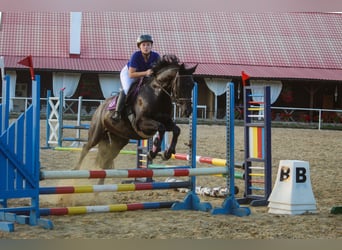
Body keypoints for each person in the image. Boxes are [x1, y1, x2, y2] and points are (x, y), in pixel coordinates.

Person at [112, 34, 161, 122]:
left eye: (148, 45)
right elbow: (131, 74)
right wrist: (146, 73)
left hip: (145, 75)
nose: (146, 47)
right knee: (127, 89)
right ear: (139, 47)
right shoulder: (136, 55)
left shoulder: (156, 56)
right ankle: (117, 112)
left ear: (151, 46)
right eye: (143, 45)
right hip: (129, 74)